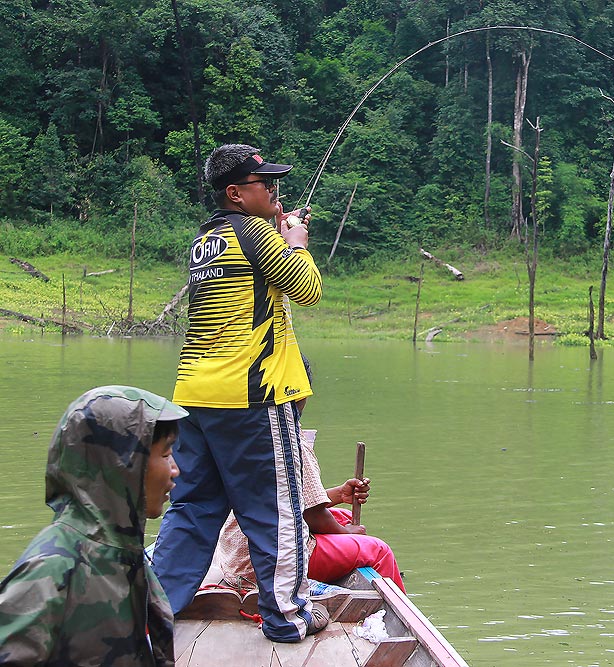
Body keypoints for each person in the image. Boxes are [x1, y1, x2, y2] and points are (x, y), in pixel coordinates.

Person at [153, 143, 325, 643]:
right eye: (262, 184)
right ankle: (288, 617)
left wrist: (275, 230)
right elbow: (307, 288)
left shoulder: (205, 239)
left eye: (274, 183)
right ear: (235, 192)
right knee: (277, 509)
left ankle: (153, 612)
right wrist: (294, 240)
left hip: (194, 396)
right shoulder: (255, 234)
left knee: (191, 507)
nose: (273, 191)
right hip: (252, 396)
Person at [0, 386, 185, 666]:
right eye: (165, 454)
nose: (175, 470)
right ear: (124, 465)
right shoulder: (52, 571)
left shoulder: (124, 553)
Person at [214, 360, 406, 594]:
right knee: (378, 550)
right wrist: (346, 534)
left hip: (240, 555)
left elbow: (285, 501)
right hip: (270, 563)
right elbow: (311, 513)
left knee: (343, 516)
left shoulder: (246, 429)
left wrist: (338, 495)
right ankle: (394, 618)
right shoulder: (289, 439)